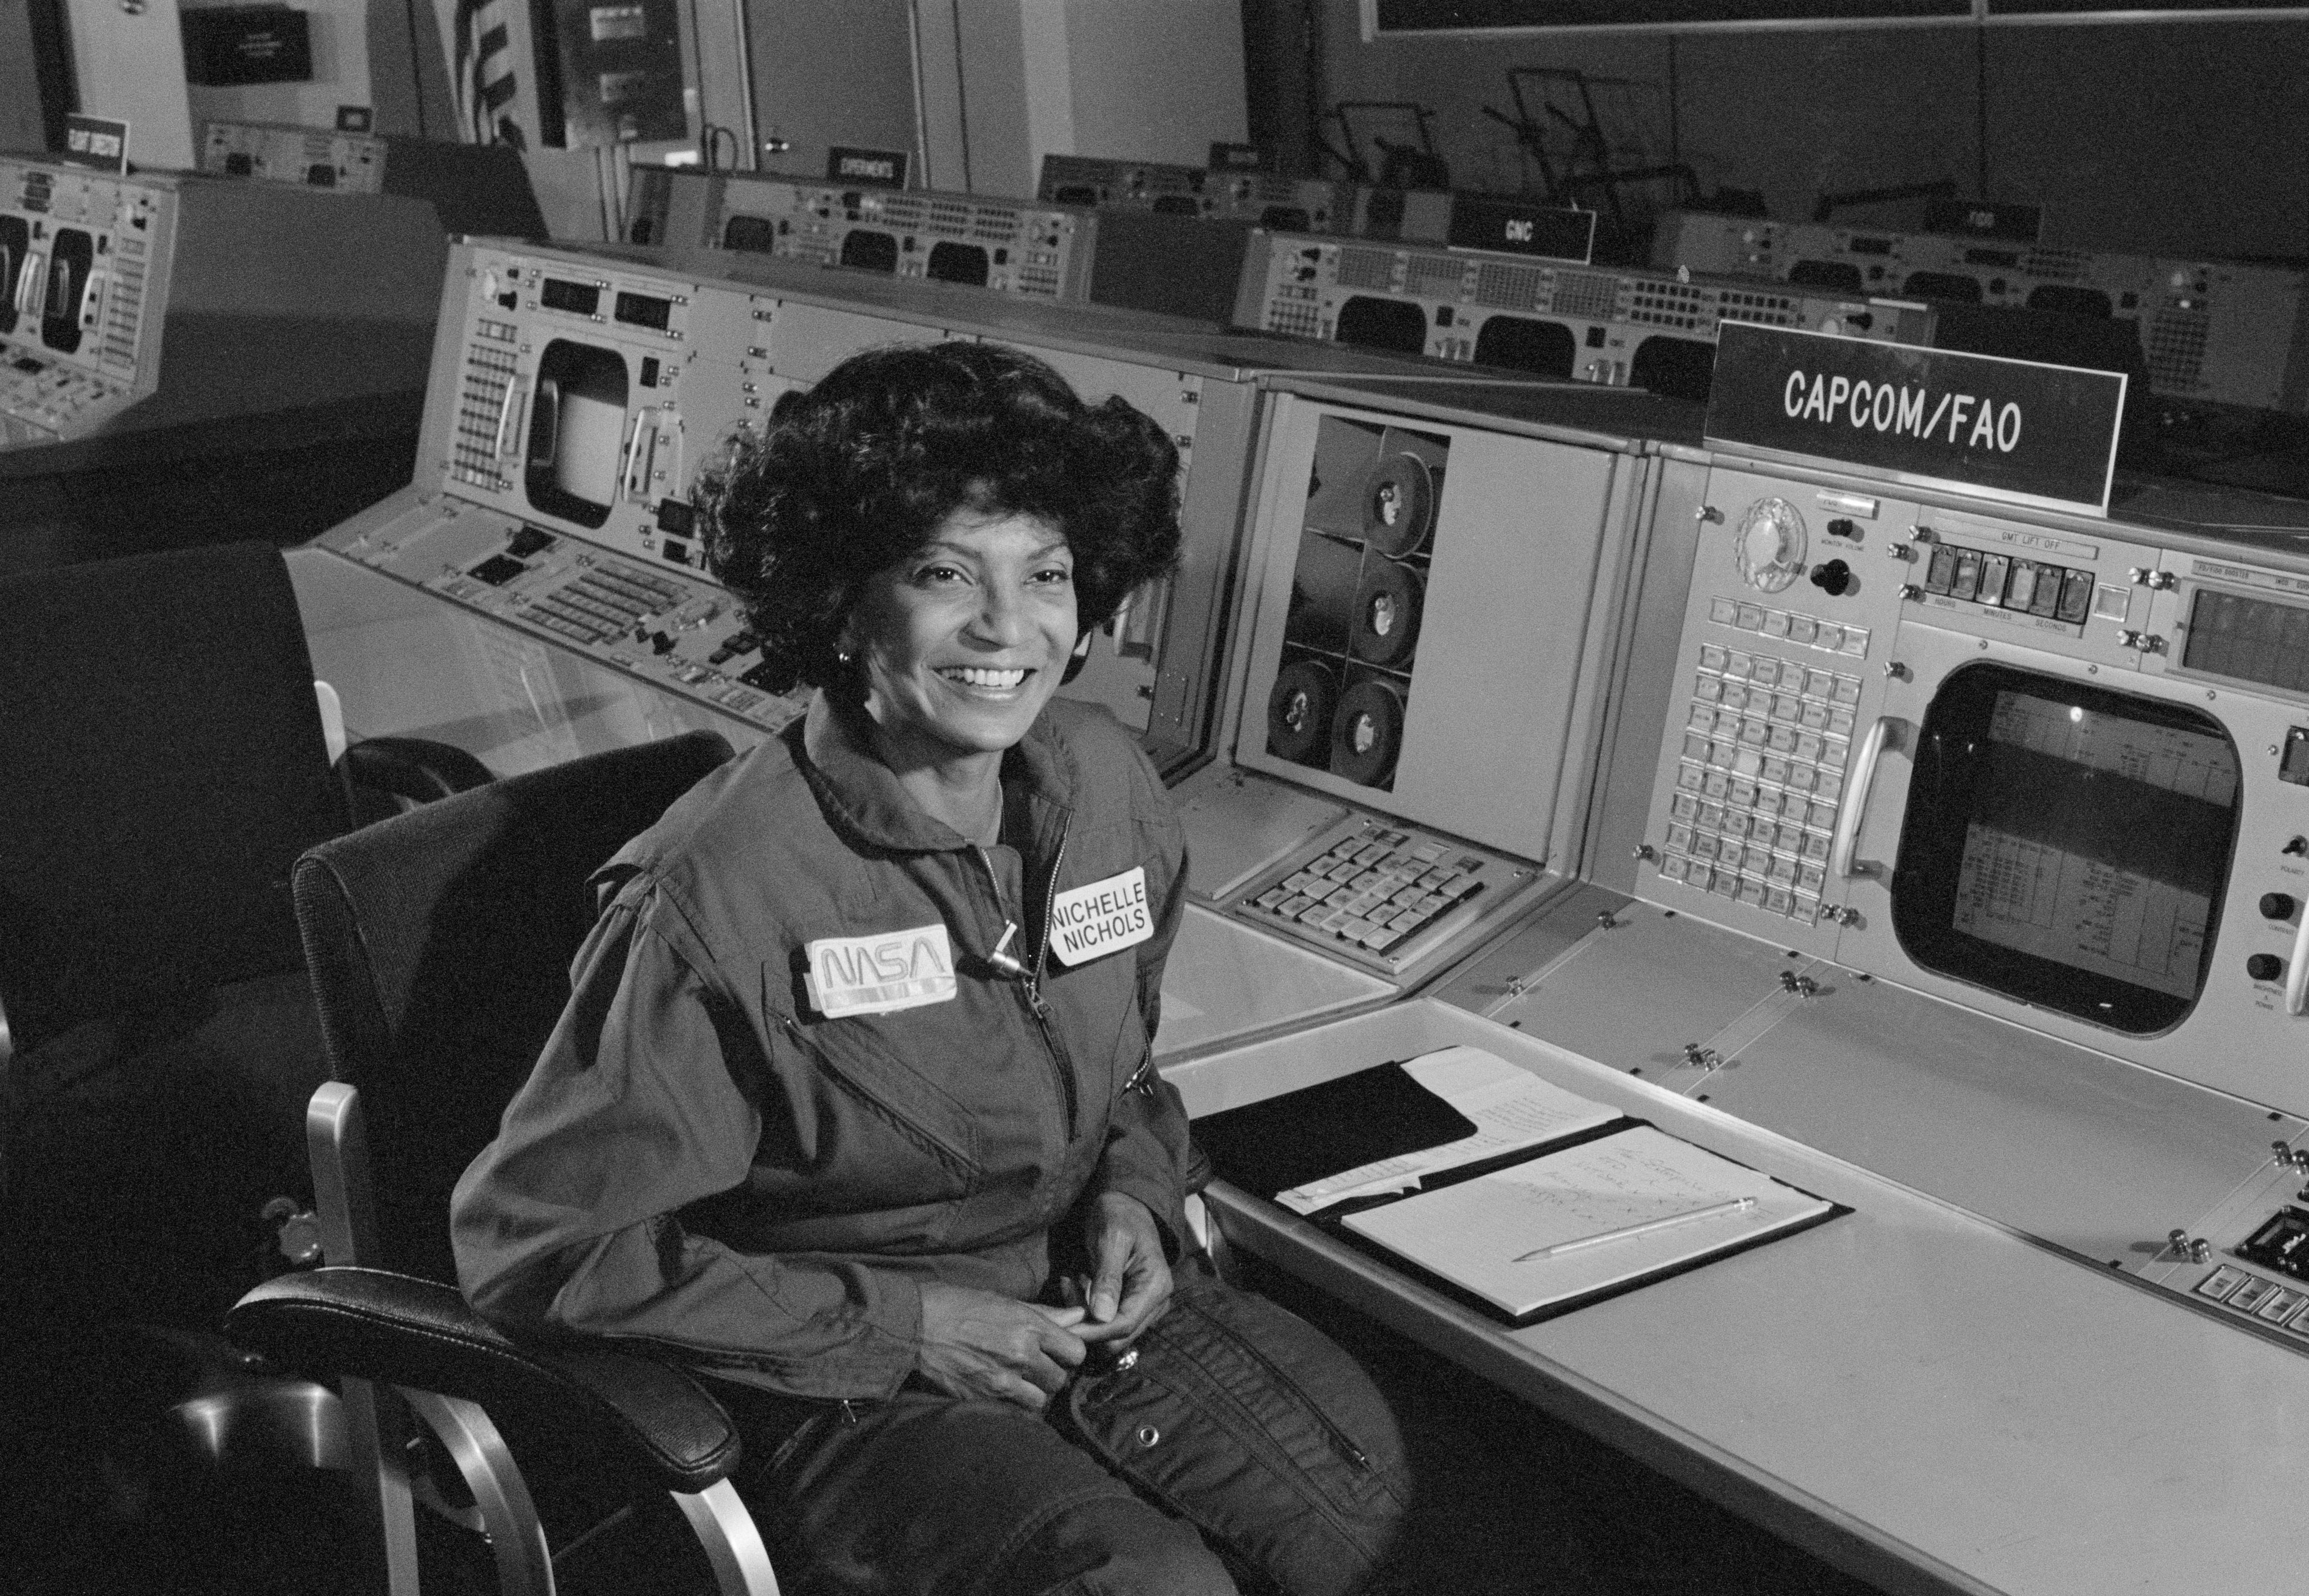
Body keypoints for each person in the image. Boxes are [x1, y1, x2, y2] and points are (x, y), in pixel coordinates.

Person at [450, 342, 1409, 1594]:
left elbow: (1120, 1076)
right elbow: (539, 1248)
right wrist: (910, 1325)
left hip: (1082, 1306)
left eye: (1046, 575)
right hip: (835, 1385)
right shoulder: (718, 895)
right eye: (944, 574)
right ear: (845, 606)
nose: (1008, 628)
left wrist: (1128, 1186)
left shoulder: (1107, 788)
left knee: (1383, 1536)